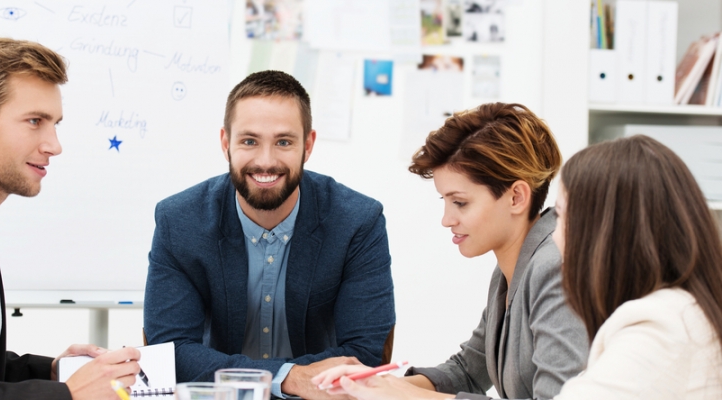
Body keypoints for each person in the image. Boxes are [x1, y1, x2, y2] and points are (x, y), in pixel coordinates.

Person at [143, 70, 396, 399]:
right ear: (225, 143)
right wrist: (286, 377)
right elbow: (171, 351)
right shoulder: (179, 221)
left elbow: (365, 350)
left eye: (284, 142)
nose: (265, 161)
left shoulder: (357, 222)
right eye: (249, 141)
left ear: (308, 145)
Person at [313, 102, 589, 400]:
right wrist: (377, 385)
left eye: (460, 202)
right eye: (445, 201)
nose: (447, 220)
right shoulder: (512, 269)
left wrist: (408, 397)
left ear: (516, 197)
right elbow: (468, 371)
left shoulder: (555, 267)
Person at [0, 38, 140, 399]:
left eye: (55, 124)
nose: (54, 145)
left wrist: (52, 371)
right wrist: (65, 395)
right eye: (35, 121)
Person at [551, 135, 722, 399]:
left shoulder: (661, 330)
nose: (553, 236)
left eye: (561, 216)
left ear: (603, 234)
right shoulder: (686, 312)